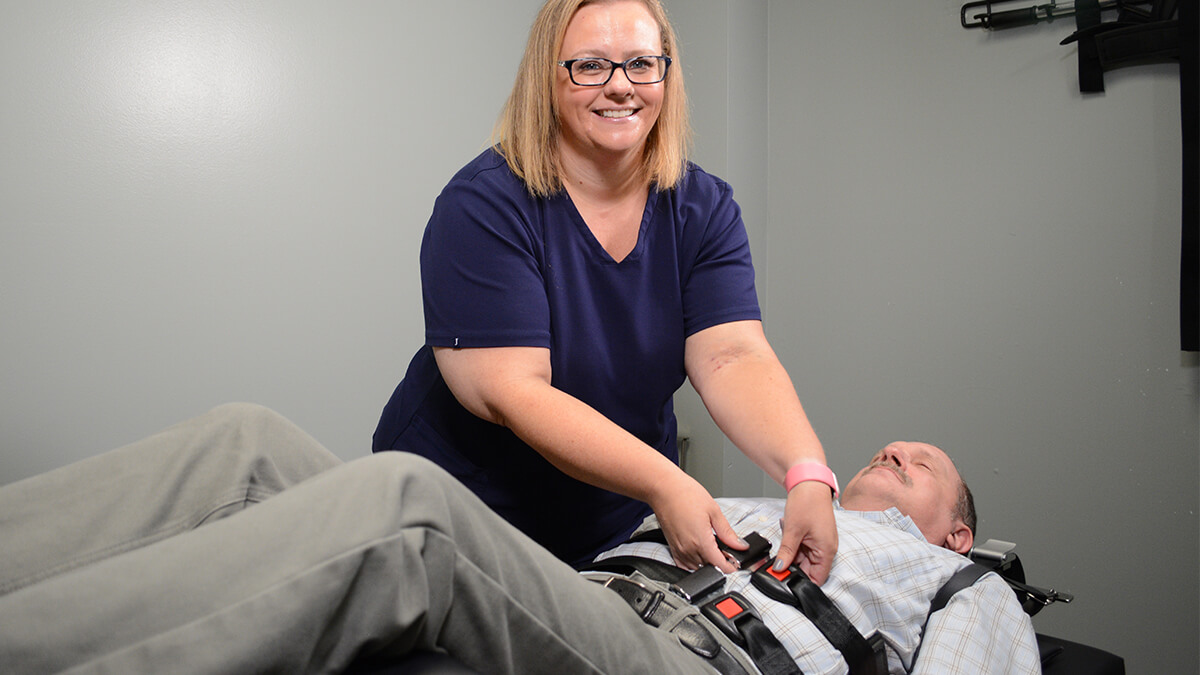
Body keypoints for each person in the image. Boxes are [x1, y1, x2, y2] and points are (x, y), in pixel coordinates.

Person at [0, 403, 1040, 674]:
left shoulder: (965, 586)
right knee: (248, 443)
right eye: (891, 447)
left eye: (924, 463)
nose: (900, 447)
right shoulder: (773, 506)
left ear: (959, 527)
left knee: (409, 508)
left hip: (699, 662)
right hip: (584, 606)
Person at [371, 0, 837, 579]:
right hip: (463, 510)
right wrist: (666, 482)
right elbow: (513, 392)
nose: (621, 87)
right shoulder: (484, 204)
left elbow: (733, 355)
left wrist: (807, 472)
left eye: (642, 63)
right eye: (591, 66)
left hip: (610, 517)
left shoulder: (703, 207)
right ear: (549, 76)